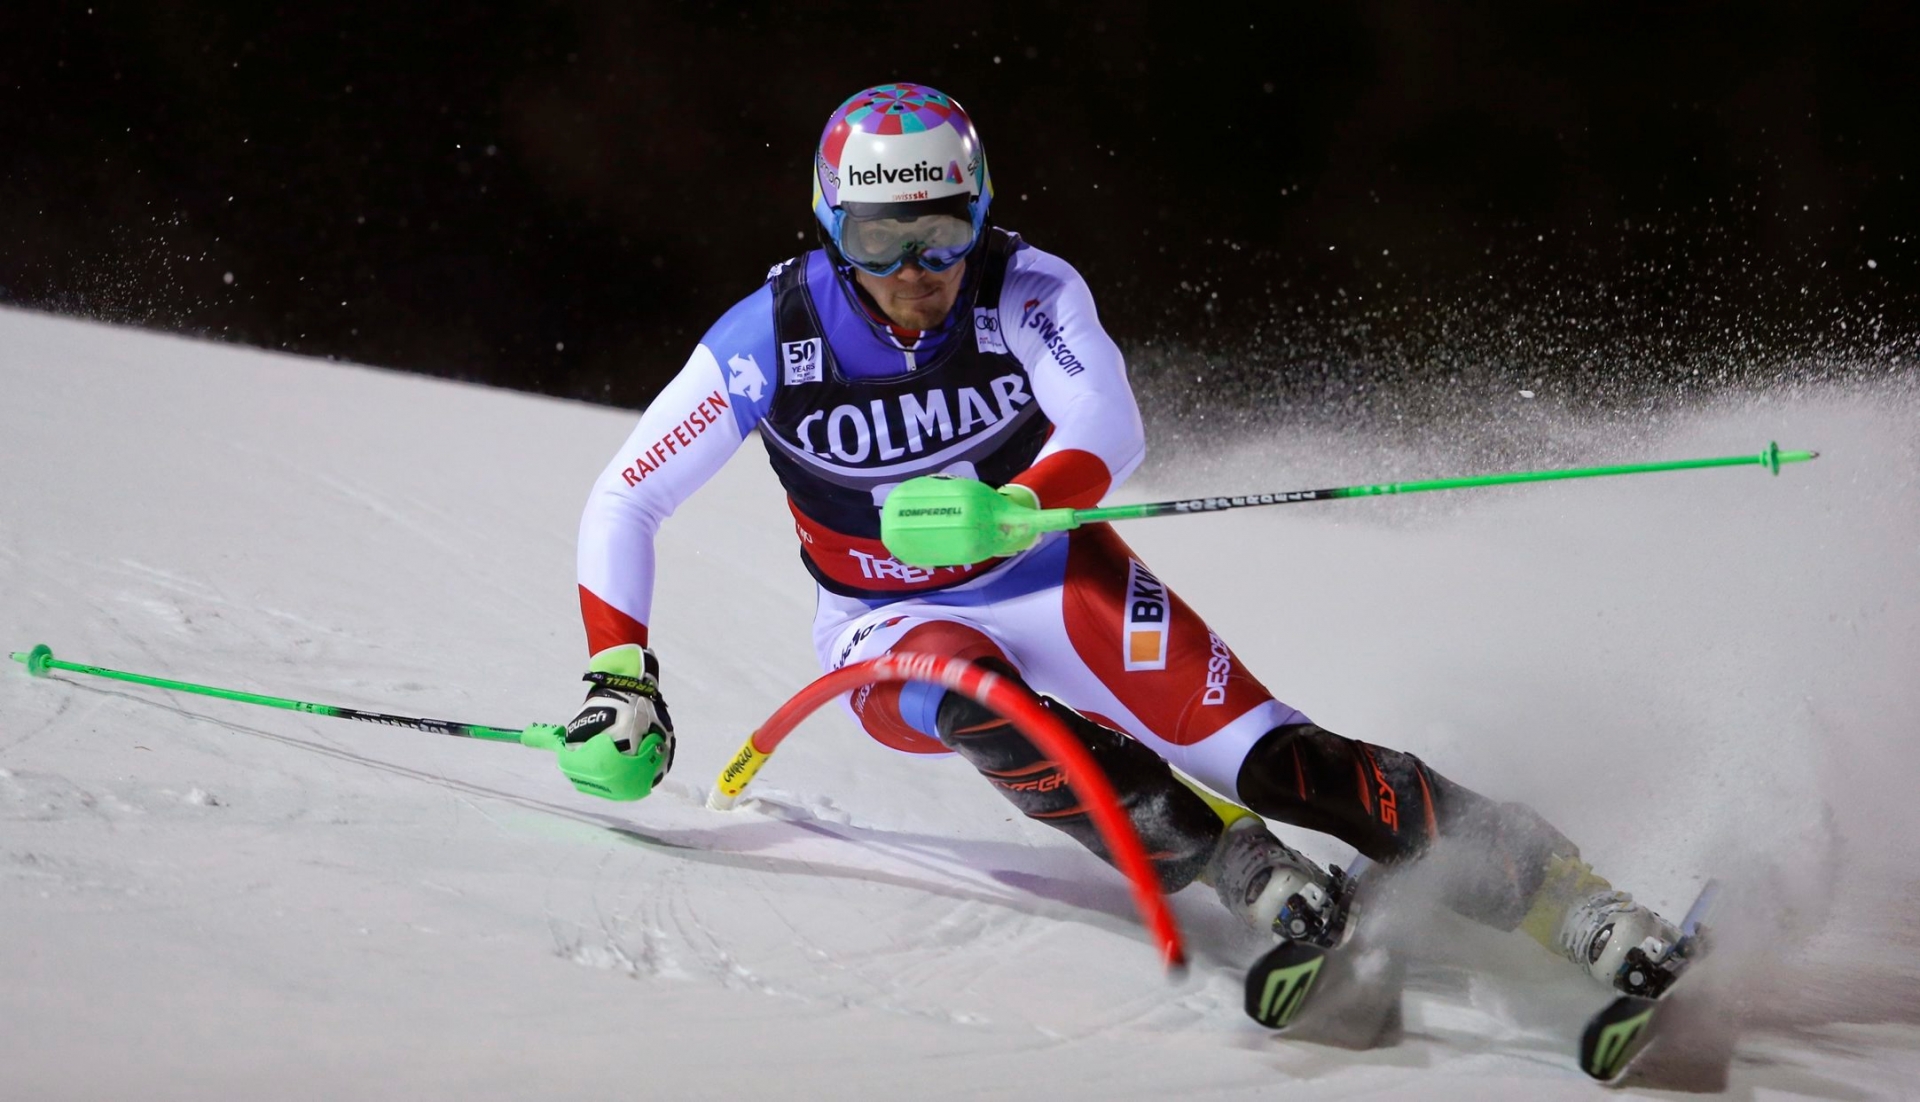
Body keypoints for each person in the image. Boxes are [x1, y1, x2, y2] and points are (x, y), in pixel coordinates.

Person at [565, 82, 1678, 994]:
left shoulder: (1024, 287)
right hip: (882, 619)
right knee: (984, 704)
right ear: (829, 227)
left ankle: (1566, 895)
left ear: (982, 213)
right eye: (879, 237)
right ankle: (1239, 865)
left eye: (942, 229)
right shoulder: (771, 337)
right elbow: (627, 496)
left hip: (1052, 566)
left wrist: (1024, 503)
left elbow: (1109, 417)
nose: (916, 271)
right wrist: (620, 673)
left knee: (1271, 755)